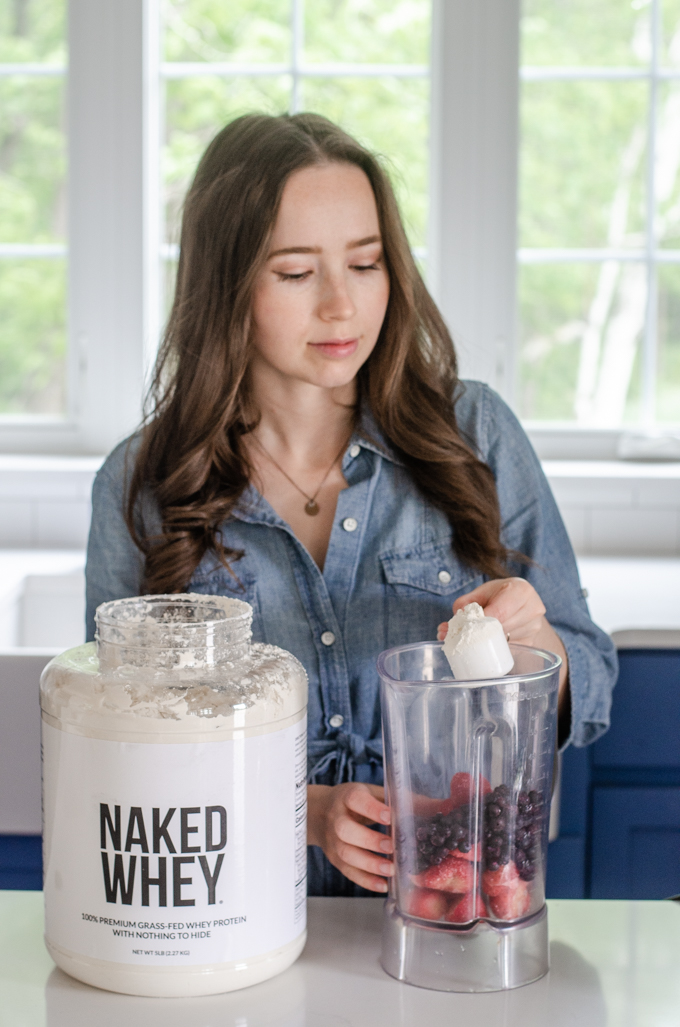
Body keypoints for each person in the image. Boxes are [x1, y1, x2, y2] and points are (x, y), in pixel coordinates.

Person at [85, 112, 617, 898]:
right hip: (236, 918)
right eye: (297, 273)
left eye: (365, 264)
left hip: (456, 911)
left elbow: (593, 678)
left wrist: (541, 645)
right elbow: (118, 738)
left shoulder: (475, 432)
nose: (342, 306)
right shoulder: (143, 481)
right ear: (226, 284)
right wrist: (302, 808)